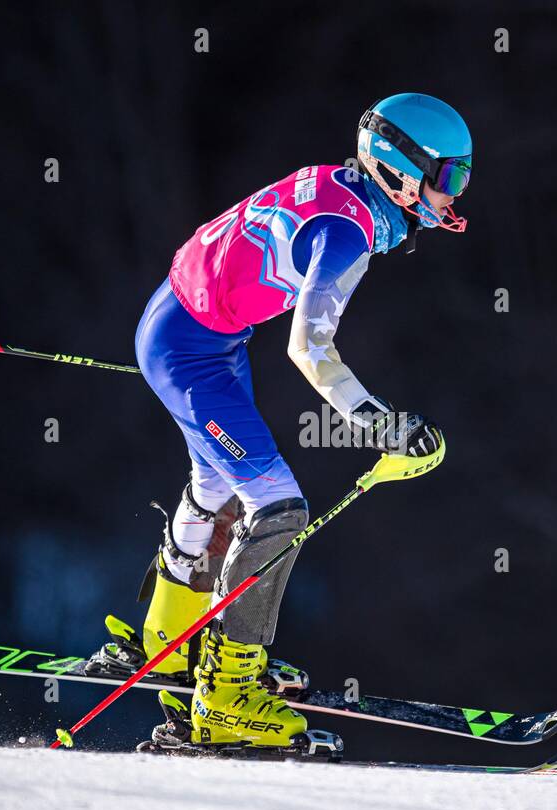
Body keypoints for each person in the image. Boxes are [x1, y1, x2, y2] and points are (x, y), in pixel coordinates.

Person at [88, 93, 471, 750]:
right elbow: (309, 347)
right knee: (278, 508)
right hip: (192, 349)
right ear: (399, 169)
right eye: (447, 177)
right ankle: (229, 695)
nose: (455, 193)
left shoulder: (343, 188)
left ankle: (166, 643)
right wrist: (384, 426)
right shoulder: (348, 232)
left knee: (217, 490)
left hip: (194, 334)